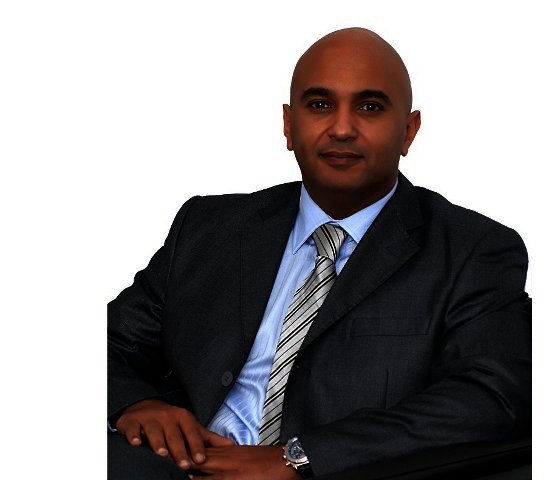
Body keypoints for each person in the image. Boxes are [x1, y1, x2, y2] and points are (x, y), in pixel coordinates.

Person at [108, 27, 531, 480]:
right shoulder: (208, 227)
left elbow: (490, 399)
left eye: (370, 107)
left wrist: (300, 459)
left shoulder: (473, 251)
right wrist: (136, 402)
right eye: (320, 105)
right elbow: (107, 342)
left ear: (408, 131)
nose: (342, 128)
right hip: (168, 467)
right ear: (289, 125)